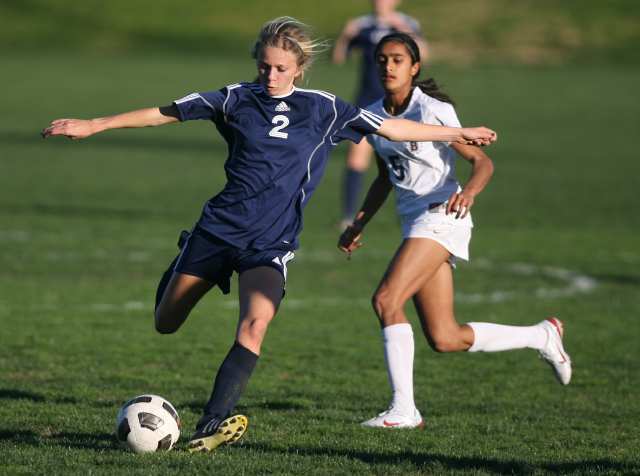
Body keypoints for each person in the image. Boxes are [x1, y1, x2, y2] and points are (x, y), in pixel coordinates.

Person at [42, 18, 496, 451]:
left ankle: (210, 426)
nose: (271, 75)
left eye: (281, 68)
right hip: (218, 232)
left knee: (255, 326)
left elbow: (392, 128)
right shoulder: (234, 98)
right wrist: (95, 124)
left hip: (270, 244)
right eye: (264, 66)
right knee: (166, 321)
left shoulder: (325, 108)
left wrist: (458, 131)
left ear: (300, 68)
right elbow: (164, 113)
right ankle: (184, 259)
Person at [338, 32, 571, 429]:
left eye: (397, 60)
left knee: (386, 299)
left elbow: (481, 162)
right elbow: (383, 178)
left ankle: (404, 409)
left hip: (442, 216)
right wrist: (358, 222)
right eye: (382, 59)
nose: (388, 66)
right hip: (415, 223)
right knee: (445, 337)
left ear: (414, 68)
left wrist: (471, 193)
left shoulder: (433, 109)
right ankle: (541, 336)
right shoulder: (375, 114)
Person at [333, 0, 427, 228]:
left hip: (400, 103)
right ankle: (347, 217)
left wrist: (406, 31)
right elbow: (338, 58)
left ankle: (413, 212)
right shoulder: (361, 25)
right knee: (356, 158)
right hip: (367, 103)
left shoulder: (406, 23)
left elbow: (424, 55)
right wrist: (345, 36)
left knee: (408, 159)